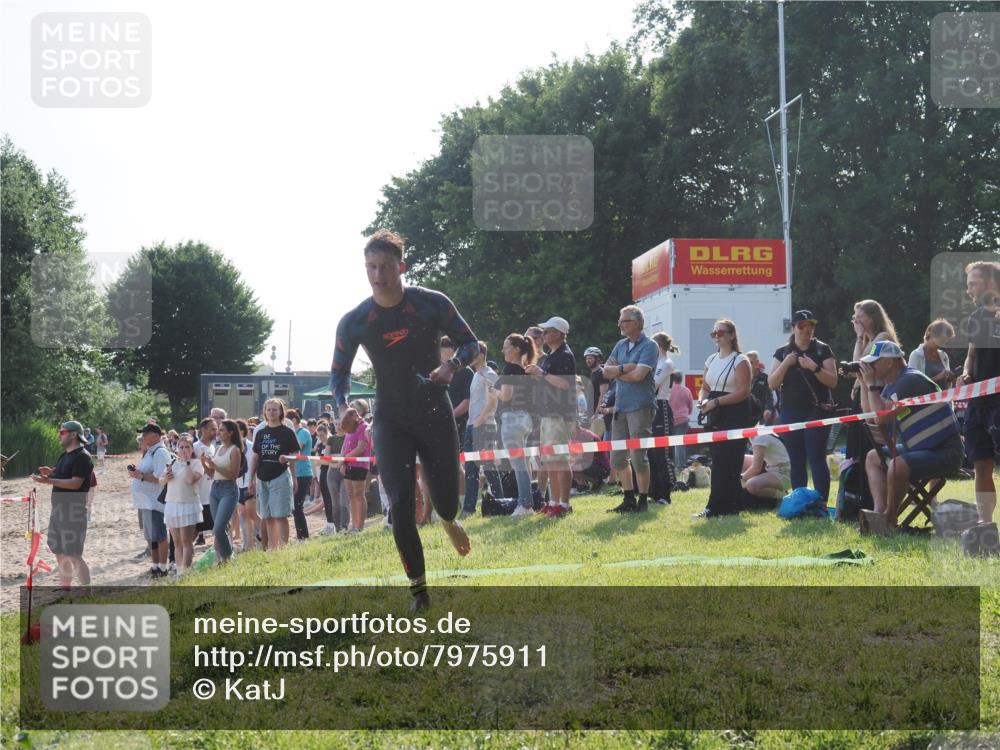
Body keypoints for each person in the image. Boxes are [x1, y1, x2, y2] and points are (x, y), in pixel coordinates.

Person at [330, 228, 475, 610]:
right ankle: (419, 591)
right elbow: (338, 376)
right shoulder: (355, 320)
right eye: (371, 268)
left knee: (446, 501)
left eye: (386, 267)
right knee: (399, 502)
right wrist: (342, 407)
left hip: (433, 411)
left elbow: (472, 343)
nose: (378, 275)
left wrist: (452, 366)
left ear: (401, 266)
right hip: (390, 417)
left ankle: (446, 519)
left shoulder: (430, 303)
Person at [859, 340, 964, 526]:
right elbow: (871, 416)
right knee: (872, 458)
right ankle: (878, 513)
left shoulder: (910, 380)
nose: (871, 367)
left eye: (874, 362)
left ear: (889, 362)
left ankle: (889, 519)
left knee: (897, 465)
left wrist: (872, 386)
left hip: (946, 451)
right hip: (920, 447)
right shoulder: (893, 384)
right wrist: (865, 384)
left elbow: (880, 417)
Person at [767, 310, 839, 502]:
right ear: (793, 328)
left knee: (816, 457)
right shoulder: (782, 352)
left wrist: (813, 367)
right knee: (796, 459)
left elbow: (833, 381)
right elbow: (772, 383)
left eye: (811, 326)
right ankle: (800, 502)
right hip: (791, 411)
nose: (807, 330)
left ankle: (821, 502)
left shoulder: (822, 349)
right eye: (802, 326)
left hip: (817, 411)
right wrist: (786, 364)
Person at [602, 306, 658, 513]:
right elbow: (606, 372)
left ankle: (642, 500)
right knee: (617, 457)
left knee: (638, 456)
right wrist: (627, 368)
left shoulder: (650, 346)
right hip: (621, 407)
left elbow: (639, 376)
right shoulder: (620, 345)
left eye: (624, 321)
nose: (620, 324)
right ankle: (628, 499)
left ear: (636, 323)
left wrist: (618, 371)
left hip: (640, 407)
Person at [695, 319, 752, 518]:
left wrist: (716, 403)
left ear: (732, 335)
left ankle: (718, 506)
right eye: (714, 333)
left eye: (721, 332)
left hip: (734, 414)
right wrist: (702, 400)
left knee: (729, 461)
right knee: (718, 460)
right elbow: (705, 387)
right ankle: (731, 505)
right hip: (713, 413)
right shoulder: (711, 360)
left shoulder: (740, 360)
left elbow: (744, 392)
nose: (717, 336)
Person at [30, 420, 93, 588]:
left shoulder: (83, 456)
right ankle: (66, 590)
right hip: (58, 510)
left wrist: (49, 480)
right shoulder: (65, 455)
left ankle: (87, 592)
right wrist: (50, 472)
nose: (59, 435)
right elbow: (63, 474)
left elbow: (75, 483)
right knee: (59, 552)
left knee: (73, 554)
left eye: (62, 432)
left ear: (74, 434)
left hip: (73, 512)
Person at [960, 260, 1000, 523]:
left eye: (973, 284)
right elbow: (971, 354)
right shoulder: (975, 318)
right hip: (978, 402)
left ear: (989, 282)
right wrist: (966, 373)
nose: (969, 290)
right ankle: (985, 527)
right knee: (981, 465)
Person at [527, 316, 578, 517]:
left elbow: (565, 384)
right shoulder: (552, 355)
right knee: (550, 461)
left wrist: (541, 374)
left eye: (547, 331)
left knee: (560, 460)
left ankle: (563, 504)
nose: (544, 334)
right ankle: (554, 501)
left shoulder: (565, 355)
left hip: (560, 414)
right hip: (549, 413)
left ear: (557, 333)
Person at [493, 333, 537, 516]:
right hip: (526, 419)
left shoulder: (510, 368)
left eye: (506, 346)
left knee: (519, 464)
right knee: (523, 463)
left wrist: (492, 390)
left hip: (512, 419)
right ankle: (526, 503)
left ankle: (525, 505)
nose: (503, 350)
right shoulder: (526, 370)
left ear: (517, 349)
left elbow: (506, 396)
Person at [249, 398, 300, 550]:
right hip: (262, 477)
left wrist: (288, 459)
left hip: (280, 476)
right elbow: (256, 456)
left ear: (280, 412)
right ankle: (273, 547)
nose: (271, 412)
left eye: (274, 409)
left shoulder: (287, 431)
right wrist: (251, 478)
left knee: (280, 515)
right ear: (264, 412)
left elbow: (297, 454)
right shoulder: (260, 432)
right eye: (269, 409)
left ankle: (284, 547)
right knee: (267, 515)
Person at [463, 342, 502, 515]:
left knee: (489, 468)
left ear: (480, 355)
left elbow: (494, 400)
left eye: (472, 353)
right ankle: (468, 509)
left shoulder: (491, 375)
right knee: (470, 470)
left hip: (484, 426)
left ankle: (501, 503)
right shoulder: (475, 375)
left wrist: (479, 421)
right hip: (471, 426)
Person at [129, 423, 171, 577]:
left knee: (160, 535)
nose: (143, 437)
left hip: (155, 501)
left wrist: (140, 476)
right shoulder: (150, 451)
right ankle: (155, 566)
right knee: (151, 537)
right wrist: (137, 474)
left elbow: (161, 478)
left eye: (145, 434)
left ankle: (163, 567)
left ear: (155, 435)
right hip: (147, 501)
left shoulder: (160, 452)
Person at [201, 419, 244, 563]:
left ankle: (228, 556)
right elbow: (212, 474)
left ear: (231, 433)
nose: (218, 432)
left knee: (218, 528)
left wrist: (214, 464)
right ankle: (223, 558)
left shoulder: (235, 450)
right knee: (221, 527)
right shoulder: (219, 448)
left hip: (228, 489)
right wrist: (204, 463)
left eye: (222, 430)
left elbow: (233, 475)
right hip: (215, 489)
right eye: (218, 429)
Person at [160, 436, 203, 575]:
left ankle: (186, 570)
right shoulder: (172, 462)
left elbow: (190, 480)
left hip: (188, 504)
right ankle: (179, 571)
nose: (184, 450)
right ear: (177, 448)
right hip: (172, 504)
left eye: (187, 447)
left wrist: (187, 462)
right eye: (181, 447)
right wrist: (167, 476)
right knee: (176, 541)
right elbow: (161, 481)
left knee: (186, 540)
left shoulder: (196, 463)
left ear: (192, 449)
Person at [649, 331, 678, 505]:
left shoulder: (665, 363)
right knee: (651, 453)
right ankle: (654, 492)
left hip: (661, 408)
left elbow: (653, 385)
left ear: (658, 346)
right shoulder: (655, 362)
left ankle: (665, 494)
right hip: (651, 407)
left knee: (662, 453)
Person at [339, 408, 371, 532]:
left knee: (358, 494)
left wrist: (344, 459)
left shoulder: (364, 427)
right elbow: (345, 446)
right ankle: (354, 525)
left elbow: (361, 447)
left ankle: (360, 526)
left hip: (360, 465)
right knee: (351, 495)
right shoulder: (349, 428)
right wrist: (343, 461)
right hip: (348, 464)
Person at [740, 431, 792, 508]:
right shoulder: (757, 432)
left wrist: (741, 478)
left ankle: (785, 497)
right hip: (770, 466)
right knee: (739, 460)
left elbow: (756, 468)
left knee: (751, 485)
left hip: (784, 473)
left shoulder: (759, 437)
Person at [286, 409, 313, 541]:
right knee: (295, 507)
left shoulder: (303, 432)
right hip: (294, 472)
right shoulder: (294, 433)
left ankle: (303, 536)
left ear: (294, 420)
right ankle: (301, 536)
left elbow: (296, 449)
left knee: (298, 507)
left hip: (303, 472)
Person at [234, 419, 260, 551]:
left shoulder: (250, 446)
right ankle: (248, 544)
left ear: (242, 431)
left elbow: (254, 465)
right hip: (238, 485)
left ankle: (264, 536)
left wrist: (253, 481)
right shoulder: (232, 448)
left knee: (252, 512)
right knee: (243, 514)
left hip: (250, 483)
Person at [909, 319, 957, 386]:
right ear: (930, 335)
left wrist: (950, 378)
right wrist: (938, 377)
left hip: (945, 395)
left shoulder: (944, 356)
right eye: (941, 340)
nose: (941, 345)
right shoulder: (916, 355)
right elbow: (913, 384)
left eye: (944, 342)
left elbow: (948, 383)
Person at [669, 372, 694, 469]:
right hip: (683, 419)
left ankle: (672, 463)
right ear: (681, 379)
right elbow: (690, 405)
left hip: (671, 420)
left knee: (671, 442)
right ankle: (680, 465)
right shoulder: (686, 390)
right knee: (680, 443)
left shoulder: (669, 390)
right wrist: (688, 413)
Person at [746, 351, 775, 425]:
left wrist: (768, 409)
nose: (748, 365)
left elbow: (769, 395)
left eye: (750, 362)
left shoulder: (765, 378)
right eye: (746, 362)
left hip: (762, 415)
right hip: (747, 414)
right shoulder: (743, 378)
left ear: (756, 363)